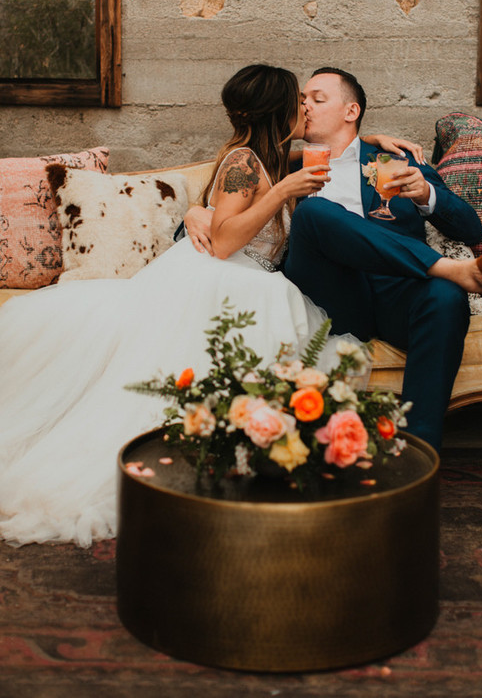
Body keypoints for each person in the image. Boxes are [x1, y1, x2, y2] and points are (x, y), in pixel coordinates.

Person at [0, 64, 368, 548]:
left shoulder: (269, 157)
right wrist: (279, 193)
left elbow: (336, 149)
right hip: (221, 275)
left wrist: (372, 139)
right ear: (278, 110)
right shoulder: (244, 162)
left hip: (242, 276)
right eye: (297, 102)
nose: (305, 108)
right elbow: (223, 240)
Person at [282, 67, 482, 451]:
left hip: (396, 291)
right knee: (314, 213)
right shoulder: (284, 167)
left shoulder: (396, 159)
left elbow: (470, 228)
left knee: (445, 297)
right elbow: (229, 207)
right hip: (327, 296)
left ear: (351, 111)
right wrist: (194, 216)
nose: (305, 105)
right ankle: (456, 272)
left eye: (317, 98)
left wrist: (426, 193)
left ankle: (416, 451)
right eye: (302, 100)